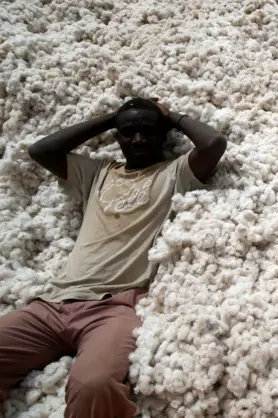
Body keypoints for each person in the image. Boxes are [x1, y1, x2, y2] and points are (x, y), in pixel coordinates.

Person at [0, 98, 227, 417]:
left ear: (163, 135)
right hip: (52, 304)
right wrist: (111, 118)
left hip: (114, 307)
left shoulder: (174, 173)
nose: (137, 139)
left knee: (94, 385)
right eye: (128, 132)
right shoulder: (97, 174)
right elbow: (41, 151)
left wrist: (171, 117)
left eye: (148, 131)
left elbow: (214, 143)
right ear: (116, 137)